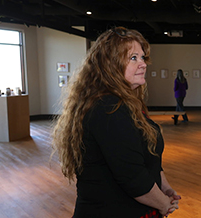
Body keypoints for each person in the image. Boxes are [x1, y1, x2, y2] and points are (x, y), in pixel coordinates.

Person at [51, 27, 181, 218]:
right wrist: (163, 205)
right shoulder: (108, 107)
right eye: (134, 58)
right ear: (110, 65)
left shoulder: (127, 103)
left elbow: (146, 157)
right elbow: (133, 177)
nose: (143, 64)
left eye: (143, 57)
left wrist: (164, 187)